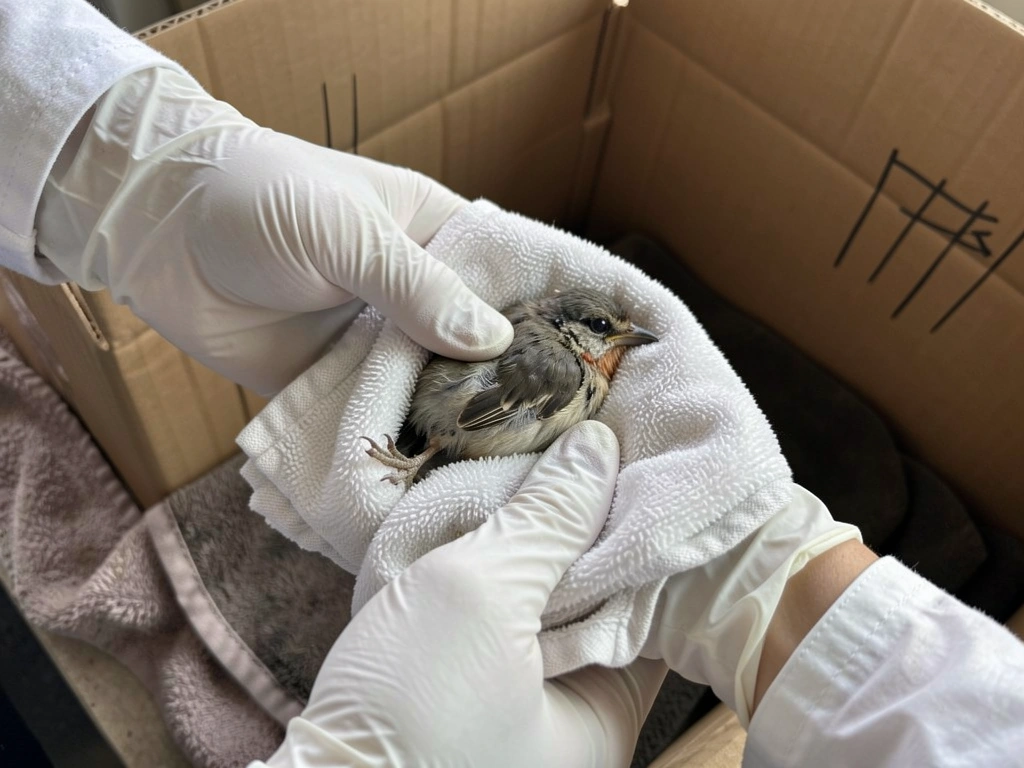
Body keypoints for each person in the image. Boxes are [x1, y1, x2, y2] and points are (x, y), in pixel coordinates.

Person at [2, 1, 1023, 766]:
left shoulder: (589, 371)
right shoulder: (561, 366)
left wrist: (124, 169)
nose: (619, 356)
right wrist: (131, 168)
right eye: (606, 339)